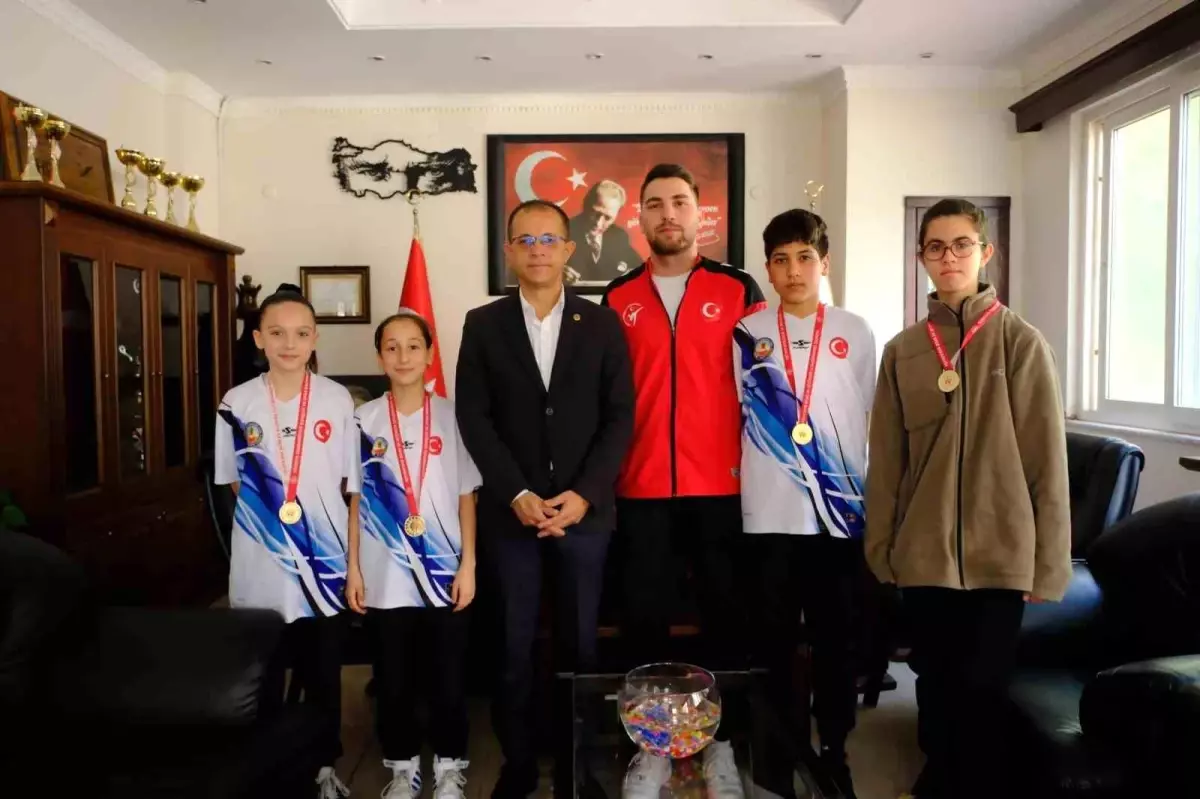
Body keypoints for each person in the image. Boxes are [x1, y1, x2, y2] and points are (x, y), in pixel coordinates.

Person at [865, 199, 1071, 799]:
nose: (948, 257)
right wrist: (882, 546)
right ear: (922, 258)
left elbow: (1046, 462)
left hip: (999, 553)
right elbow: (888, 461)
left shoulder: (1020, 342)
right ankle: (940, 779)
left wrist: (1048, 563)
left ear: (986, 253)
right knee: (935, 681)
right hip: (924, 553)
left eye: (961, 245)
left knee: (983, 688)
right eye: (936, 247)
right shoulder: (904, 350)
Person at [456, 199, 634, 799]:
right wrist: (516, 492)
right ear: (509, 251)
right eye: (525, 240)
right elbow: (474, 417)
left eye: (548, 239)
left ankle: (578, 762)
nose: (537, 250)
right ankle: (519, 763)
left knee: (580, 645)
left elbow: (620, 416)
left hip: (584, 514)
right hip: (513, 515)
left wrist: (584, 494)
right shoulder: (483, 324)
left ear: (568, 249)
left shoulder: (602, 323)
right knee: (512, 645)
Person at [601, 163, 766, 799]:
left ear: (700, 213)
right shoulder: (618, 296)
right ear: (639, 217)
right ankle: (652, 747)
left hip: (722, 486)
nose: (667, 214)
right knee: (645, 623)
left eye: (678, 202)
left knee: (726, 620)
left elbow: (765, 385)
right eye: (654, 204)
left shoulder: (737, 287)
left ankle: (719, 745)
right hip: (640, 487)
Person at [734, 209, 874, 799]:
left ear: (824, 264)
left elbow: (868, 413)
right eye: (781, 260)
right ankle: (777, 751)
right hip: (769, 514)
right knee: (772, 643)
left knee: (836, 641)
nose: (793, 271)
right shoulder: (746, 331)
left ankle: (834, 750)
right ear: (767, 268)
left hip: (839, 515)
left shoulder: (855, 329)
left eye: (805, 258)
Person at [214, 289, 358, 799]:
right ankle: (268, 769)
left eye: (300, 334)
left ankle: (323, 766)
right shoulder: (236, 403)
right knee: (264, 674)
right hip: (263, 560)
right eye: (276, 333)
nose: (289, 344)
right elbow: (235, 482)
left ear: (315, 339)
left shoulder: (337, 400)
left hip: (324, 561)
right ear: (259, 339)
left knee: (323, 671)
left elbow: (349, 483)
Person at [346, 310, 482, 799]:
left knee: (448, 675)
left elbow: (467, 495)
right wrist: (353, 569)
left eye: (413, 346)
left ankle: (449, 766)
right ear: (379, 357)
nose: (403, 356)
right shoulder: (361, 420)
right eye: (392, 347)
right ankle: (401, 767)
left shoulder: (453, 415)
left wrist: (469, 565)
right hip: (383, 573)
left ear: (429, 354)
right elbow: (355, 498)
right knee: (393, 677)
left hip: (444, 568)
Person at [566, 179, 644, 283]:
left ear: (616, 215)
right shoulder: (562, 231)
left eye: (607, 218)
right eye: (596, 213)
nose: (598, 223)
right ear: (585, 205)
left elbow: (642, 270)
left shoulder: (619, 236)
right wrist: (556, 273)